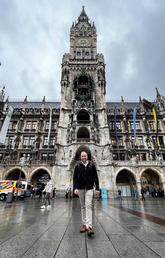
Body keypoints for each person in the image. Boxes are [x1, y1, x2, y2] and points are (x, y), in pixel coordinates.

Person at [73, 151, 99, 237]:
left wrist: (98, 188)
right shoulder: (77, 166)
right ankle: (84, 225)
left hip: (89, 188)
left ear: (87, 157)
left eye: (85, 156)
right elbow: (75, 178)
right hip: (80, 188)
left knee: (88, 206)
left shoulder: (92, 165)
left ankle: (89, 227)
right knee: (83, 207)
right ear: (80, 157)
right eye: (82, 156)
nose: (83, 157)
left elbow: (96, 177)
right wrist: (75, 188)